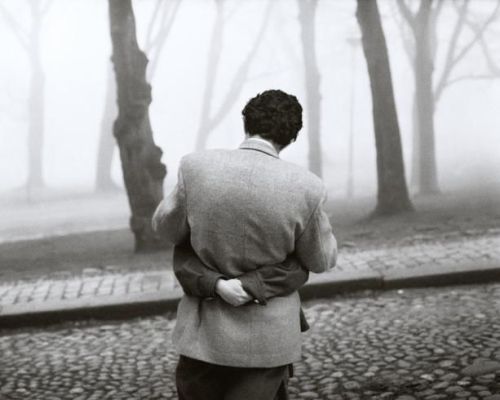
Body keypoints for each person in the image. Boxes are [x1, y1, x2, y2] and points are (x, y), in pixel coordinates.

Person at [152, 89, 337, 400]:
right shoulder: (308, 188)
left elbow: (164, 228)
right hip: (267, 340)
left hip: (203, 333)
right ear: (292, 137)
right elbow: (321, 260)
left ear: (246, 123)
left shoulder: (195, 167)